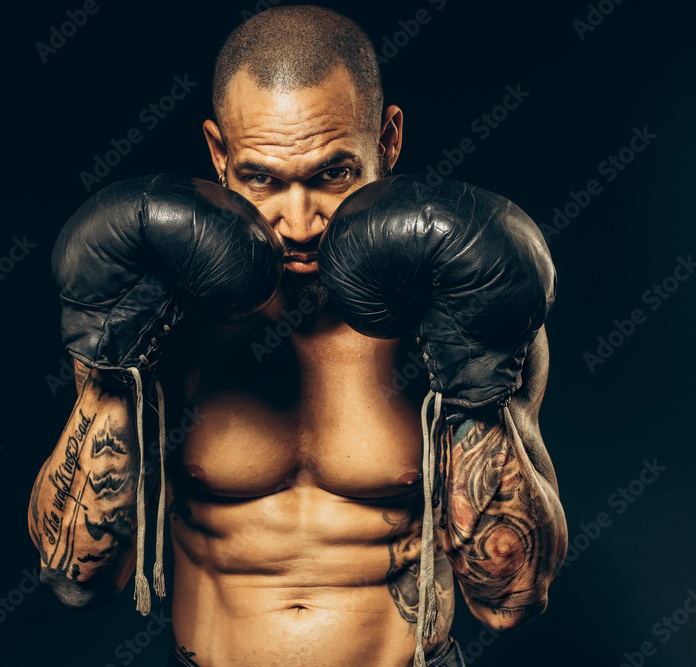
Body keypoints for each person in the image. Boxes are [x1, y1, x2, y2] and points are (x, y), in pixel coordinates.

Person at [30, 6, 568, 666]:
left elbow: (509, 595)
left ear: (389, 140)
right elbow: (79, 576)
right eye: (262, 177)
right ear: (218, 154)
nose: (300, 219)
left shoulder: (453, 310)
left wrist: (473, 383)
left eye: (332, 174)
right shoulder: (170, 316)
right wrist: (113, 367)